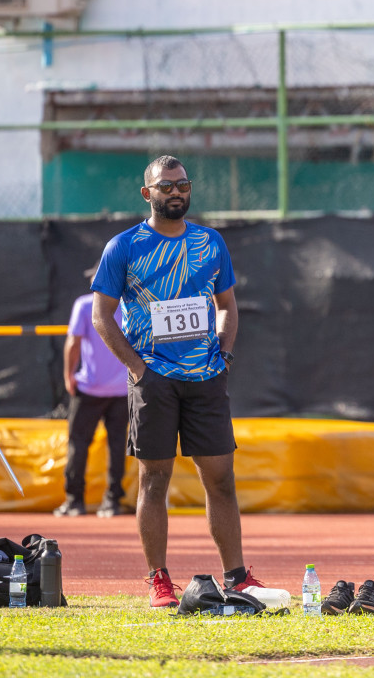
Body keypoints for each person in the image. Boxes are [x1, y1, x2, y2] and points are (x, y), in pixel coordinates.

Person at [90, 155, 261, 609]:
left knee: (221, 480)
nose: (177, 192)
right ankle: (159, 579)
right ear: (148, 194)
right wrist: (137, 368)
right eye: (166, 186)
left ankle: (238, 577)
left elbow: (227, 305)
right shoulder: (124, 247)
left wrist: (223, 354)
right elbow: (101, 316)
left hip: (206, 377)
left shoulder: (210, 242)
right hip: (154, 379)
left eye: (183, 184)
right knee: (154, 481)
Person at [57, 267, 130, 518]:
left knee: (78, 444)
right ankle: (112, 501)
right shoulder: (130, 306)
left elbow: (73, 342)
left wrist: (69, 375)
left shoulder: (85, 304)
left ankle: (75, 501)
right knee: (118, 444)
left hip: (90, 387)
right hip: (122, 389)